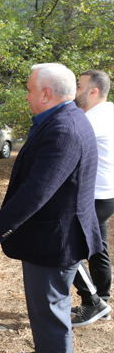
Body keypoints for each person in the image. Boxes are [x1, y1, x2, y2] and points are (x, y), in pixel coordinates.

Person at [0, 63, 103, 353]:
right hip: (52, 235)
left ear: (46, 94)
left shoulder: (64, 128)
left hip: (54, 239)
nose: (27, 95)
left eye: (30, 89)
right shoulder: (63, 119)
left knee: (50, 312)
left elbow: (37, 191)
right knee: (49, 311)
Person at [69, 69, 114, 326]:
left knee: (66, 246)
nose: (75, 91)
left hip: (94, 196)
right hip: (105, 194)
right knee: (98, 248)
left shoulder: (93, 119)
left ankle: (92, 301)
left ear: (93, 91)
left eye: (79, 86)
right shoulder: (108, 112)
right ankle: (102, 301)